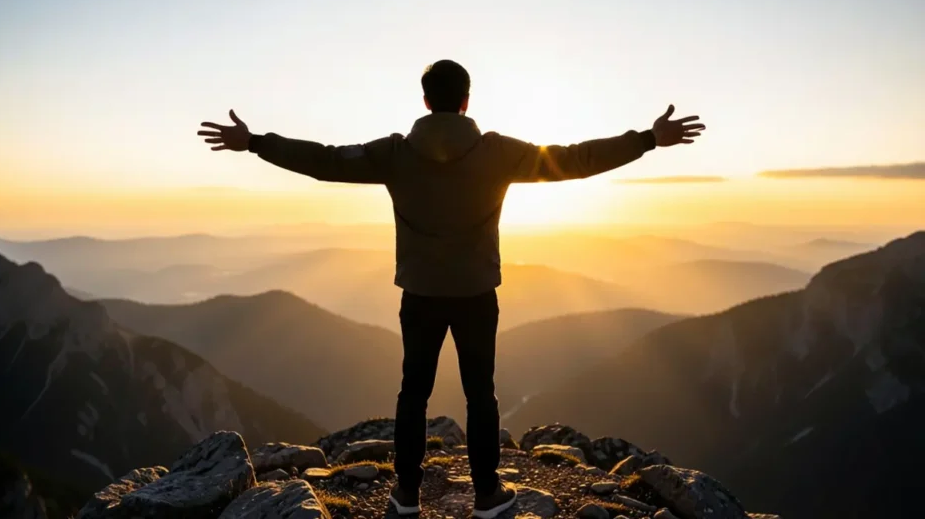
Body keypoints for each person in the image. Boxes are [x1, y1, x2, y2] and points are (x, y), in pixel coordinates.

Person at [198, 59, 704, 518]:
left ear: (425, 101)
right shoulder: (497, 152)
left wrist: (256, 143)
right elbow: (574, 159)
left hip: (419, 294)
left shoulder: (395, 153)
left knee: (412, 394)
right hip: (476, 294)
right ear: (466, 100)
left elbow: (325, 160)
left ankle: (405, 497)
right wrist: (647, 139)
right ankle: (487, 496)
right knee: (480, 394)